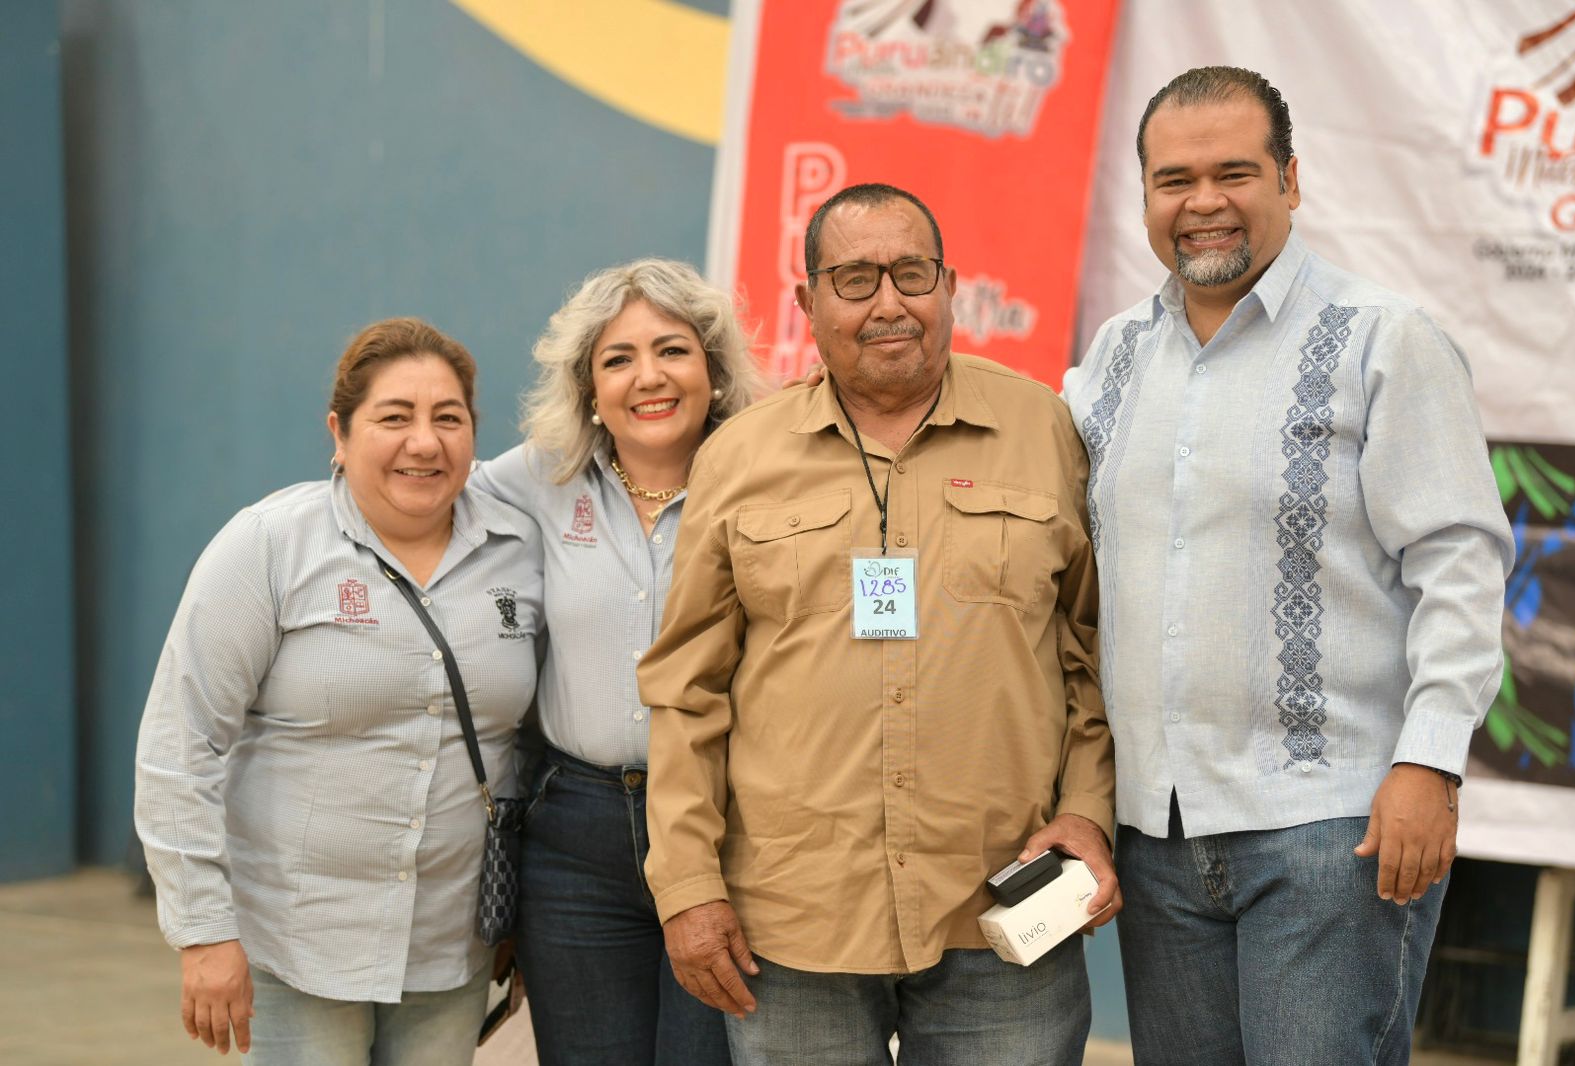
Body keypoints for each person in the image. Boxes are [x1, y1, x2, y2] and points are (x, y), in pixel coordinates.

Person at [1062, 66, 1515, 1065]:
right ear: (1145, 196)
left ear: (1291, 180)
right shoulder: (1113, 357)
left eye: (1234, 173)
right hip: (1157, 831)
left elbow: (1461, 562)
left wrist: (1429, 760)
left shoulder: (1383, 340)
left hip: (1333, 830)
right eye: (1175, 180)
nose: (1204, 203)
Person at [637, 183, 1118, 1066]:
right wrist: (689, 885)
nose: (889, 302)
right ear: (808, 302)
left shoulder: (1043, 430)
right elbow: (686, 693)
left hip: (1006, 905)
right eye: (855, 280)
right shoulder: (738, 457)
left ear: (951, 287)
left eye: (912, 273)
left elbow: (1091, 655)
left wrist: (1089, 812)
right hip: (794, 920)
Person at [134, 318, 542, 1064]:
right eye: (394, 417)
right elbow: (179, 744)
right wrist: (204, 933)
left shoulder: (518, 553)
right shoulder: (269, 545)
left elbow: (528, 742)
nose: (425, 442)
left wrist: (516, 912)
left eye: (448, 418)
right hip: (299, 944)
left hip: (451, 947)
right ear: (340, 433)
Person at [472, 258, 764, 1066]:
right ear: (588, 387)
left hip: (729, 830)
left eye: (672, 350)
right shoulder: (535, 479)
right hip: (576, 840)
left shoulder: (768, 476)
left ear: (713, 367)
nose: (649, 377)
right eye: (618, 359)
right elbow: (421, 500)